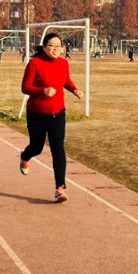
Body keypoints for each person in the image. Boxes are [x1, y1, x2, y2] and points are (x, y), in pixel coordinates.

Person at [19, 32, 84, 203]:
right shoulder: (34, 63)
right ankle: (25, 156)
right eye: (51, 46)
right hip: (37, 113)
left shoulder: (63, 63)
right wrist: (43, 90)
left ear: (63, 48)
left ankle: (59, 188)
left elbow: (65, 81)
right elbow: (25, 87)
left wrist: (75, 90)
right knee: (37, 147)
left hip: (57, 113)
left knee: (58, 148)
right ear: (44, 46)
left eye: (58, 46)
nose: (55, 49)